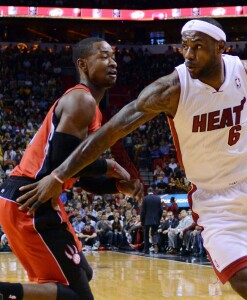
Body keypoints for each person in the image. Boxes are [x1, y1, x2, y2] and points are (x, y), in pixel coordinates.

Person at [18, 18, 247, 299]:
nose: (188, 54)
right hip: (216, 197)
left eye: (197, 47)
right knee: (245, 283)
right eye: (185, 47)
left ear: (220, 47)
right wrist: (59, 175)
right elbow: (110, 132)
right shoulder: (171, 89)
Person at [0, 37, 143, 300]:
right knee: (76, 296)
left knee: (82, 274)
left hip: (30, 196)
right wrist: (109, 165)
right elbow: (61, 164)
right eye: (103, 56)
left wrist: (115, 186)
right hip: (31, 197)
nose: (112, 62)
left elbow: (77, 176)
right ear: (83, 64)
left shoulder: (92, 108)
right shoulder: (82, 100)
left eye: (113, 56)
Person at [140, 187, 163, 254]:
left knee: (146, 234)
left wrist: (142, 220)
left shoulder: (145, 198)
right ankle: (156, 245)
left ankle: (146, 249)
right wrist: (159, 218)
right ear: (153, 191)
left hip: (147, 220)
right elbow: (161, 210)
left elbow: (143, 211)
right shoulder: (158, 198)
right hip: (156, 219)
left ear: (147, 191)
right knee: (155, 233)